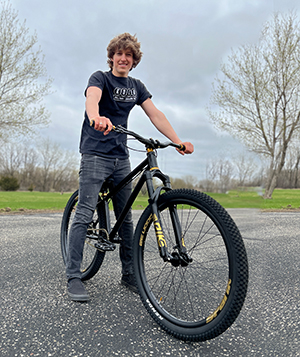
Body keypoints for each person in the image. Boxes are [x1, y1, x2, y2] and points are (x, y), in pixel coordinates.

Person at [66, 33, 194, 302]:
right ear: (112, 56)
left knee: (125, 217)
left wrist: (177, 141)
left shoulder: (136, 86)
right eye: (119, 54)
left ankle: (128, 275)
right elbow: (92, 99)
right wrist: (95, 117)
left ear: (134, 61)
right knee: (85, 211)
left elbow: (155, 113)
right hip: (95, 153)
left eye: (129, 55)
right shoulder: (100, 78)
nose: (123, 58)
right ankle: (74, 276)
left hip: (120, 156)